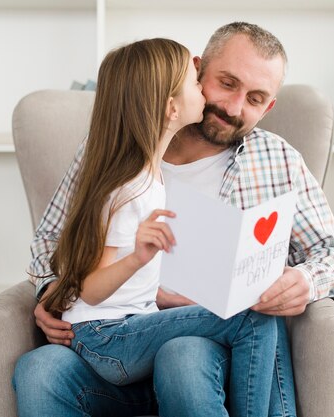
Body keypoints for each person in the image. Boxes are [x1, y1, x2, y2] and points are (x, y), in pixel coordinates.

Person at [13, 21, 334, 417]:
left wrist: (306, 281)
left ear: (269, 107)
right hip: (116, 338)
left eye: (255, 98)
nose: (234, 107)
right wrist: (52, 292)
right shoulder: (113, 149)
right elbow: (50, 240)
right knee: (38, 370)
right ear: (197, 70)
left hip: (206, 352)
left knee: (184, 355)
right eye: (227, 83)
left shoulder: (277, 160)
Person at [37, 36, 278, 417]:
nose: (202, 90)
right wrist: (137, 257)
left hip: (128, 326)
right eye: (196, 82)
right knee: (254, 319)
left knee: (254, 316)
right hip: (107, 337)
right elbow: (91, 289)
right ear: (171, 108)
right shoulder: (130, 188)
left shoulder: (145, 178)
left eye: (254, 97)